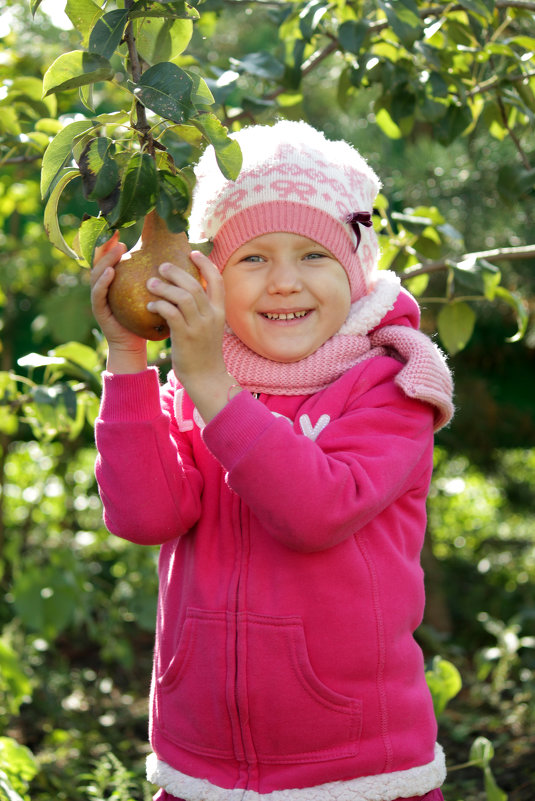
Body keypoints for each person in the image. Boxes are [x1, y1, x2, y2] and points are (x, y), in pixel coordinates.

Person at [91, 120, 454, 801]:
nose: (284, 282)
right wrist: (128, 356)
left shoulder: (390, 384)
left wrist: (207, 382)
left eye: (313, 255)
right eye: (252, 259)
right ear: (211, 279)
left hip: (358, 768)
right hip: (200, 760)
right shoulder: (199, 380)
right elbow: (145, 515)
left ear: (354, 267)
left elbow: (315, 511)